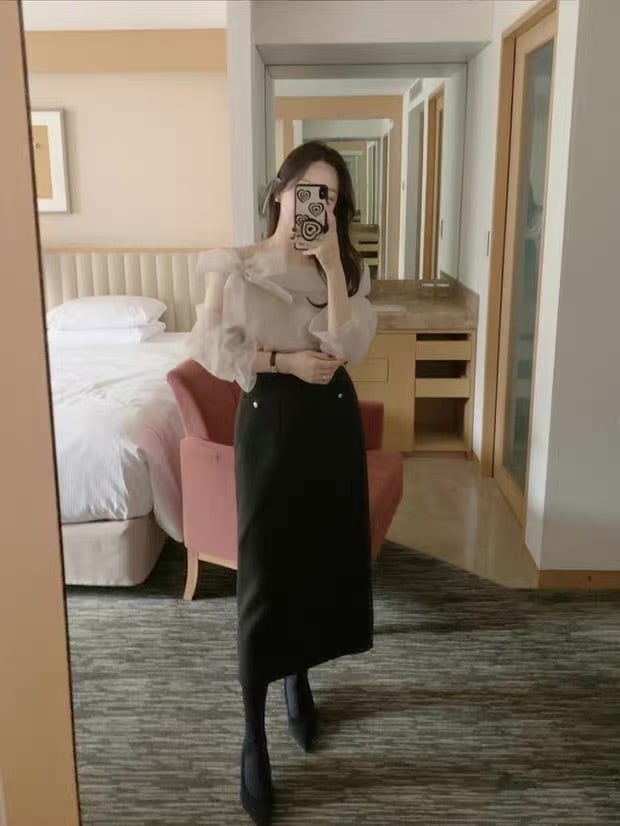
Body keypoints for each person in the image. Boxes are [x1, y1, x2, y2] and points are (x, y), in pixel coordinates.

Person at [186, 140, 377, 825]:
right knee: (267, 575)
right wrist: (282, 361)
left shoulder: (344, 267)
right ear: (279, 192)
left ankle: (299, 677)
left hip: (330, 427)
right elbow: (207, 346)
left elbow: (349, 348)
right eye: (306, 192)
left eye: (329, 197)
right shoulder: (234, 264)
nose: (314, 206)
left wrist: (330, 270)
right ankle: (253, 736)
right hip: (269, 426)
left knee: (316, 564)